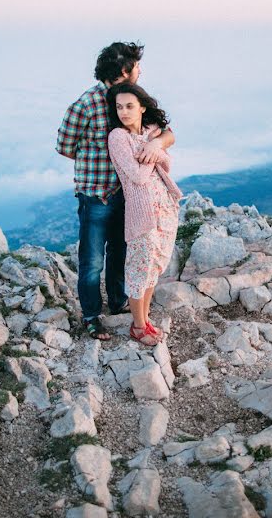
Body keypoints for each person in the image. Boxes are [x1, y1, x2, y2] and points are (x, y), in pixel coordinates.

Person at [56, 42, 175, 340]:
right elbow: (64, 146)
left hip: (131, 197)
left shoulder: (129, 99)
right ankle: (92, 317)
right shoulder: (85, 105)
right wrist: (96, 160)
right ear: (124, 71)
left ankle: (120, 302)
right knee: (93, 259)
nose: (140, 72)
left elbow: (164, 130)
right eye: (136, 67)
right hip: (96, 194)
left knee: (123, 253)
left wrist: (156, 144)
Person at [106, 83, 182, 346]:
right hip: (143, 214)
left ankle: (145, 319)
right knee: (139, 269)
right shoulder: (118, 137)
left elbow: (168, 163)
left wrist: (154, 147)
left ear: (142, 107)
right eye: (119, 107)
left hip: (165, 209)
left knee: (154, 267)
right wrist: (153, 152)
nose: (123, 112)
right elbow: (137, 176)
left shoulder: (150, 131)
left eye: (129, 106)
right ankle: (138, 326)